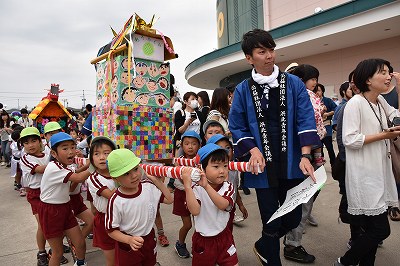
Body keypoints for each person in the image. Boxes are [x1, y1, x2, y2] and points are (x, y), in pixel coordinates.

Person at [229, 29, 319, 266]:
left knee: (292, 217)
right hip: (262, 166)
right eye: (262, 51)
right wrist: (253, 150)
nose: (269, 56)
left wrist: (306, 155)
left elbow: (305, 118)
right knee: (270, 218)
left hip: (292, 162)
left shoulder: (294, 83)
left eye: (271, 50)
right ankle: (271, 259)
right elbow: (236, 125)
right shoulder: (242, 89)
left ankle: (262, 244)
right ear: (250, 58)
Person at [334, 58, 400, 266]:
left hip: (378, 172)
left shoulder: (379, 101)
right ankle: (344, 262)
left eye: (389, 72)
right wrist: (383, 136)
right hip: (364, 176)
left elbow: (396, 115)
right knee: (381, 230)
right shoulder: (355, 104)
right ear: (368, 80)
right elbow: (350, 140)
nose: (388, 76)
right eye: (383, 72)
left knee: (372, 231)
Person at [105, 149, 174, 266]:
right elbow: (111, 230)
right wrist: (128, 240)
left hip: (149, 238)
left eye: (136, 169)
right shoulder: (116, 200)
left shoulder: (148, 186)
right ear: (115, 178)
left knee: (150, 262)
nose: (134, 176)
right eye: (126, 173)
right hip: (128, 243)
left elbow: (169, 199)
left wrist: (156, 181)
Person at [39, 132, 91, 266]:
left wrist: (89, 163)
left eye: (73, 147)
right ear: (54, 153)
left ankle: (80, 263)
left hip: (65, 207)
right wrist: (95, 165)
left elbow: (76, 174)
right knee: (58, 252)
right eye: (65, 148)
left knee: (80, 243)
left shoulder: (64, 166)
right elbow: (78, 178)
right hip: (51, 211)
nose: (71, 151)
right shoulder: (53, 168)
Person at [182, 143, 238, 266]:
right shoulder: (195, 189)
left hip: (224, 237)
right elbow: (195, 211)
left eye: (225, 166)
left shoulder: (228, 186)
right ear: (202, 168)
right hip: (203, 240)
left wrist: (206, 186)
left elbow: (223, 205)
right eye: (216, 166)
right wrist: (187, 186)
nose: (222, 170)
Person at [19, 127, 54, 266]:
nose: (30, 145)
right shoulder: (26, 158)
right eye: (26, 143)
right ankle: (41, 252)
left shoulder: (47, 154)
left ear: (41, 141)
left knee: (56, 223)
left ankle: (55, 248)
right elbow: (40, 169)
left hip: (51, 191)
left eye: (34, 141)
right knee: (43, 225)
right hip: (36, 195)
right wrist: (61, 163)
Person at [87, 136, 118, 266]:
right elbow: (112, 197)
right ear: (92, 158)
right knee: (111, 257)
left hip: (122, 218)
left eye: (107, 153)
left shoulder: (119, 173)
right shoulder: (94, 179)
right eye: (97, 154)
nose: (102, 157)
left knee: (123, 254)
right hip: (106, 220)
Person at [207, 134, 248, 226]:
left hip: (230, 206)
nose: (225, 151)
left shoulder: (234, 170)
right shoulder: (209, 172)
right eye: (219, 148)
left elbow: (234, 189)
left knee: (228, 232)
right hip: (213, 209)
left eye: (227, 148)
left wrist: (240, 204)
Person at [172, 130, 201, 258]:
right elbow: (179, 178)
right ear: (182, 146)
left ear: (199, 146)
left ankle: (198, 247)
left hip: (197, 194)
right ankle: (180, 243)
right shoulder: (179, 160)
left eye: (194, 144)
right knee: (188, 224)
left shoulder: (201, 160)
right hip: (181, 194)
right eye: (187, 143)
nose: (190, 146)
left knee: (199, 224)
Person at [314, 83, 337, 168]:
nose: (317, 92)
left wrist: (327, 114)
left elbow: (336, 108)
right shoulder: (313, 101)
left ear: (322, 91)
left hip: (327, 126)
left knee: (329, 148)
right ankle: (321, 167)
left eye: (319, 90)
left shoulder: (327, 100)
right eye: (315, 91)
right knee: (319, 149)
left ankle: (334, 166)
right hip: (317, 129)